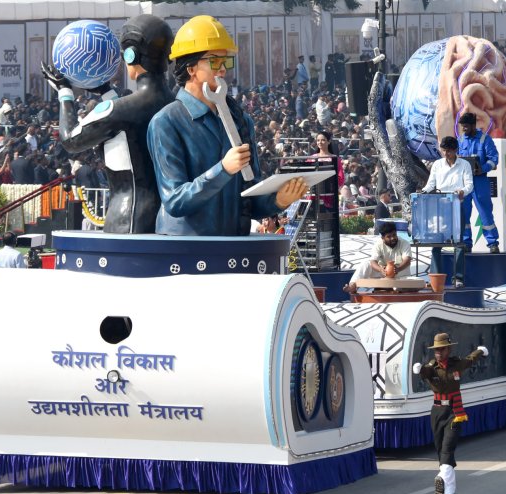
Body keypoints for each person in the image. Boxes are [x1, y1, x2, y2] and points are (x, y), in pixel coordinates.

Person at [148, 16, 307, 236]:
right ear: (190, 67)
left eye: (226, 62)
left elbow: (249, 198)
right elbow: (175, 201)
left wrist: (278, 201)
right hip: (183, 247)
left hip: (232, 245)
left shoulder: (240, 120)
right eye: (215, 62)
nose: (222, 70)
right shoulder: (166, 122)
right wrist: (223, 169)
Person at [43, 14, 175, 234]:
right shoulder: (177, 103)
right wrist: (106, 92)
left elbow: (70, 139)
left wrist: (64, 93)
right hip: (167, 218)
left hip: (127, 217)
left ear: (131, 55)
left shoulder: (118, 110)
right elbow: (128, 119)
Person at [412, 333, 489, 494]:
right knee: (441, 450)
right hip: (438, 411)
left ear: (449, 349)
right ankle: (450, 490)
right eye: (436, 349)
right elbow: (424, 372)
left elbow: (470, 359)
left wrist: (481, 351)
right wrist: (418, 369)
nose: (438, 352)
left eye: (442, 349)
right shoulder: (431, 367)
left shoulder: (456, 364)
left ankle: (441, 477)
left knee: (447, 448)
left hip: (455, 412)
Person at [422, 136, 473, 287]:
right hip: (439, 207)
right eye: (443, 151)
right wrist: (423, 192)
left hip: (457, 205)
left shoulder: (464, 164)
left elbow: (469, 185)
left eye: (449, 151)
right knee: (436, 243)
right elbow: (431, 183)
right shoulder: (437, 164)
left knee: (458, 242)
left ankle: (458, 278)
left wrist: (462, 191)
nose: (446, 154)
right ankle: (435, 278)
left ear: (455, 150)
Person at [457, 112, 500, 254]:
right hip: (464, 182)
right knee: (464, 214)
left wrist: (483, 168)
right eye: (462, 127)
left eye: (466, 126)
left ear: (473, 125)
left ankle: (493, 243)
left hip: (480, 180)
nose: (464, 129)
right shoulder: (461, 140)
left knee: (485, 213)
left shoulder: (484, 139)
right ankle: (466, 243)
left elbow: (494, 158)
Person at [342, 222, 411, 294]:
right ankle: (353, 286)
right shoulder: (378, 244)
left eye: (394, 235)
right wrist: (381, 269)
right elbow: (373, 262)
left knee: (400, 287)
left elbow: (407, 260)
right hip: (383, 272)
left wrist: (398, 269)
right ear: (383, 238)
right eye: (389, 236)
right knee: (366, 264)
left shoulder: (404, 243)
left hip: (399, 272)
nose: (393, 238)